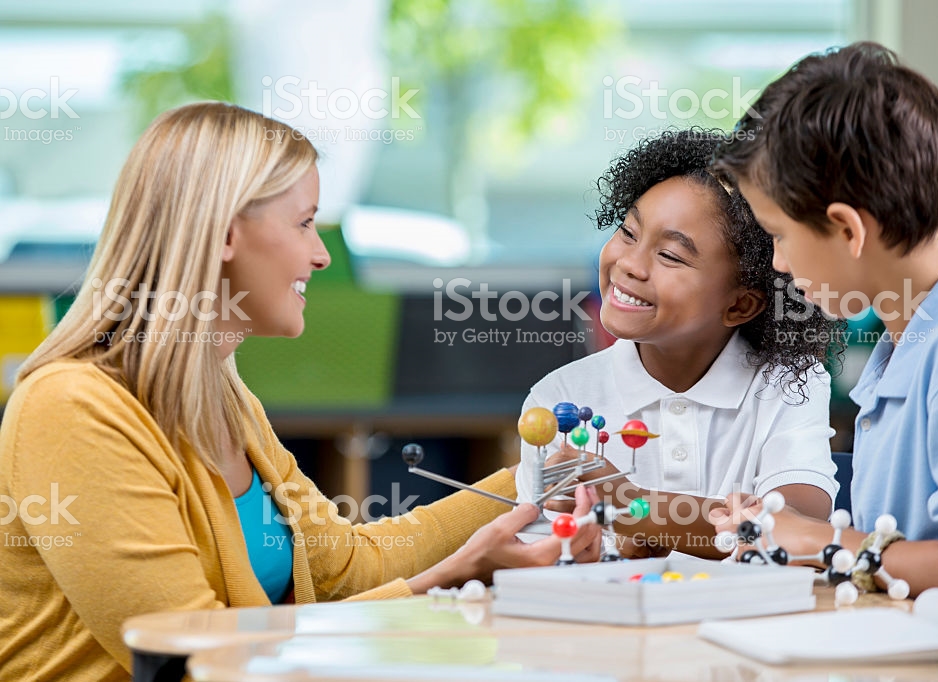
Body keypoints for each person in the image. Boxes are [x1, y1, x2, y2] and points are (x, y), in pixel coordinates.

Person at [0, 102, 600, 680]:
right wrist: (448, 577)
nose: (319, 256)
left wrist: (544, 477)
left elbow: (346, 569)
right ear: (226, 232)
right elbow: (195, 658)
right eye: (305, 222)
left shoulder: (227, 403)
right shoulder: (72, 409)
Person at [711, 42, 938, 609]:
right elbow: (896, 548)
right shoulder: (905, 349)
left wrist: (818, 539)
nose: (778, 262)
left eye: (779, 235)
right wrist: (786, 535)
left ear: (847, 230)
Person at [515, 128, 843, 558]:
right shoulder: (560, 400)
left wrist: (628, 503)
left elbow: (795, 530)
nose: (629, 264)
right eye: (628, 232)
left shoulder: (789, 385)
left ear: (740, 304)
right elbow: (544, 557)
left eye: (670, 255)